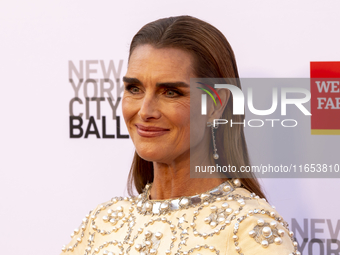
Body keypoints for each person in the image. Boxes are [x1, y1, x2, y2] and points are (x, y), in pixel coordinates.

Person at [60, 16, 299, 255]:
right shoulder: (102, 224)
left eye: (171, 92)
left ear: (215, 105)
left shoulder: (251, 230)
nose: (145, 111)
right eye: (135, 89)